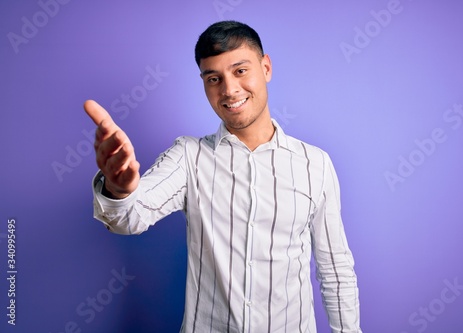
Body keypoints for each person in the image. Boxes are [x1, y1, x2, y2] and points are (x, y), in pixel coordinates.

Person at [85, 20, 362, 333]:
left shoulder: (315, 164)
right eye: (214, 78)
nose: (229, 90)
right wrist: (119, 190)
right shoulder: (188, 157)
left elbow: (336, 269)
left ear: (266, 67)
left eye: (240, 70)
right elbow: (129, 220)